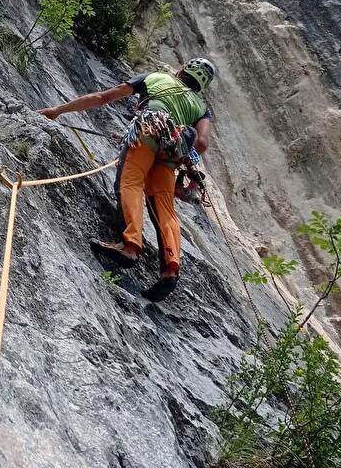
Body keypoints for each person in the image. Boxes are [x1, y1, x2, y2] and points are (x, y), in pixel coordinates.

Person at [38, 59, 216, 302]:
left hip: (148, 133)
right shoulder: (201, 107)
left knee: (130, 183)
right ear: (201, 85)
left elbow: (103, 97)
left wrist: (57, 111)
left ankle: (130, 246)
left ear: (183, 69)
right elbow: (202, 143)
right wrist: (177, 142)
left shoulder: (156, 78)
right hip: (171, 154)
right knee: (165, 207)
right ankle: (170, 269)